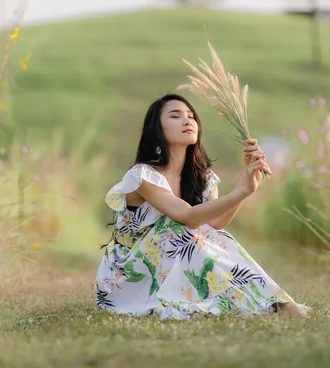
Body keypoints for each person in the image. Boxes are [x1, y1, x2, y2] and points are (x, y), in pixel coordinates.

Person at [95, 94, 309, 320]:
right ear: (157, 129)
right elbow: (188, 217)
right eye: (175, 116)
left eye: (191, 116)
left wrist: (246, 184)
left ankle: (274, 301)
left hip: (169, 262)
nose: (187, 121)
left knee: (214, 235)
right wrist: (242, 191)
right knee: (179, 228)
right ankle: (271, 303)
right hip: (128, 276)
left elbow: (215, 223)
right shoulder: (143, 175)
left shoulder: (203, 178)